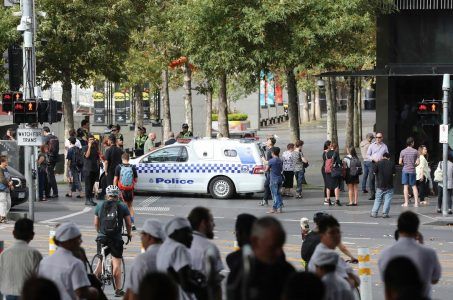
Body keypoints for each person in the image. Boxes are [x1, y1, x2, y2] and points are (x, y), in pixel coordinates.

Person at [229, 217, 295, 300]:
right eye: (273, 247)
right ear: (255, 241)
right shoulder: (241, 274)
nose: (279, 252)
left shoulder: (287, 271)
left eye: (280, 245)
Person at [378, 211, 441, 298]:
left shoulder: (385, 254)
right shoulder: (429, 253)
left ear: (398, 227)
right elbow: (435, 279)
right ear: (417, 229)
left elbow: (386, 282)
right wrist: (421, 244)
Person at [38, 222, 98, 300]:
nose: (81, 241)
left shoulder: (44, 262)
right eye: (78, 238)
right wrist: (94, 292)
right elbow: (81, 292)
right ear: (69, 241)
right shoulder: (75, 263)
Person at [93, 185, 132, 297]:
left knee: (100, 260)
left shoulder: (100, 205)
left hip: (102, 237)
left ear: (107, 194)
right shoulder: (122, 206)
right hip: (116, 239)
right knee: (116, 265)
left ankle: (94, 285)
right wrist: (129, 233)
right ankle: (118, 290)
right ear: (118, 194)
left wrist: (99, 232)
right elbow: (129, 223)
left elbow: (96, 223)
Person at [156, 217, 205, 300]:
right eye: (188, 233)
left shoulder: (164, 247)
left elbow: (174, 271)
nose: (192, 237)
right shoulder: (179, 248)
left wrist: (192, 273)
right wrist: (203, 289)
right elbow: (186, 285)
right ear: (175, 232)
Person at [308, 215, 360, 288]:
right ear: (322, 235)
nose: (336, 236)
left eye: (338, 232)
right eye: (332, 233)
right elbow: (355, 282)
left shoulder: (324, 252)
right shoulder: (328, 257)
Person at [0, 218, 42, 300]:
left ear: (13, 233)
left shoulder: (4, 253)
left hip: (8, 294)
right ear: (32, 235)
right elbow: (39, 277)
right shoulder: (34, 254)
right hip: (27, 295)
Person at [188, 207, 223, 298]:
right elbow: (215, 285)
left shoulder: (181, 244)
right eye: (211, 221)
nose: (214, 225)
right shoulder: (209, 247)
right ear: (203, 223)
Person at [125, 219, 165, 300]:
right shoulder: (170, 255)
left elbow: (133, 292)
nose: (141, 238)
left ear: (149, 237)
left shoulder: (143, 260)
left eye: (142, 234)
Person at [113, 153, 138, 230]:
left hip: (122, 190)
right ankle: (132, 224)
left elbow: (115, 179)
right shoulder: (132, 167)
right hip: (130, 190)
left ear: (122, 159)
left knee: (123, 208)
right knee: (130, 206)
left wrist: (115, 189)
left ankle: (125, 225)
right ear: (128, 159)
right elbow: (136, 179)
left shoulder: (118, 167)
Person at [371, 152, 396, 218]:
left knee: (378, 199)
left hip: (380, 185)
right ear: (389, 158)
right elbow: (394, 174)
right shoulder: (392, 164)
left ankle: (374, 213)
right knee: (387, 200)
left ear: (382, 156)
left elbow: (374, 173)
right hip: (389, 185)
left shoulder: (378, 163)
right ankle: (385, 213)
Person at [366, 132, 389, 200]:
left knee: (380, 179)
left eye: (379, 137)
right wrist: (372, 158)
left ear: (382, 138)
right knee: (371, 179)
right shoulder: (372, 145)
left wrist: (384, 158)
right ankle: (372, 194)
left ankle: (380, 194)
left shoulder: (384, 146)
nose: (378, 139)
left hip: (381, 164)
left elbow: (387, 155)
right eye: (376, 137)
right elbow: (367, 155)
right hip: (373, 163)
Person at [399, 137, 420, 207]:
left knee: (405, 187)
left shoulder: (402, 151)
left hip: (405, 170)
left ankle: (406, 203)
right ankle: (416, 203)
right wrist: (414, 165)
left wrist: (404, 165)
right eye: (413, 142)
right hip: (412, 170)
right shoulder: (416, 151)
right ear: (412, 143)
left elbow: (399, 162)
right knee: (414, 186)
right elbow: (418, 162)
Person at [82, 135, 99, 206]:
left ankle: (90, 199)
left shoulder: (95, 148)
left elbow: (97, 158)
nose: (92, 140)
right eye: (90, 139)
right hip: (87, 169)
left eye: (93, 139)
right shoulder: (85, 148)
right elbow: (87, 156)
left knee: (91, 185)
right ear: (88, 141)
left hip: (94, 169)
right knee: (88, 185)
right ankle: (87, 199)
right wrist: (89, 147)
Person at [42, 126, 59, 198]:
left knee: (51, 176)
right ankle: (47, 193)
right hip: (55, 158)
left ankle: (55, 192)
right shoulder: (55, 137)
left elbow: (42, 147)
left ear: (44, 131)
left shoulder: (46, 138)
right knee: (49, 175)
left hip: (49, 158)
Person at [323, 142, 342, 206]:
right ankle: (337, 201)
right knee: (336, 186)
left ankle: (328, 200)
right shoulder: (335, 153)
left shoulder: (327, 153)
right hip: (334, 171)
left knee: (328, 186)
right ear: (336, 147)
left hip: (327, 171)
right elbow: (339, 162)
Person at [259, 137, 276, 206]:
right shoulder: (271, 150)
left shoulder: (270, 151)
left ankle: (266, 200)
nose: (266, 142)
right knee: (268, 186)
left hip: (270, 171)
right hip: (270, 171)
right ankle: (265, 199)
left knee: (267, 185)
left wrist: (262, 157)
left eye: (268, 141)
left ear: (270, 143)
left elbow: (268, 162)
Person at [266, 147, 284, 213]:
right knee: (278, 193)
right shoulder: (280, 160)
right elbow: (281, 169)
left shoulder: (271, 161)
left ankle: (276, 208)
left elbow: (267, 169)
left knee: (275, 194)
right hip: (280, 178)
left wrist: (268, 169)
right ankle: (279, 207)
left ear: (273, 153)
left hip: (273, 179)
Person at [0, 156, 13, 223]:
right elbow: (2, 179)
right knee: (3, 203)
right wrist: (9, 184)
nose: (7, 162)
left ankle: (2, 216)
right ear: (3, 162)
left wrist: (11, 183)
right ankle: (2, 217)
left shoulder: (6, 169)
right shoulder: (0, 169)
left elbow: (9, 177)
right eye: (6, 161)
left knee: (9, 204)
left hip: (7, 189)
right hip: (1, 189)